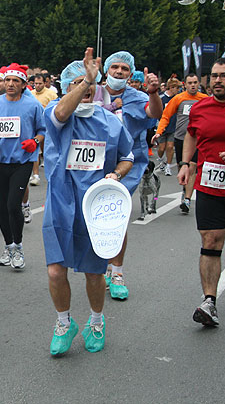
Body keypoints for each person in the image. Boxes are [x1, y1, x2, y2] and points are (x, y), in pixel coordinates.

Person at [43, 49, 134, 355]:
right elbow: (59, 115)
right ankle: (64, 322)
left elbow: (127, 158)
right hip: (59, 201)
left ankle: (96, 320)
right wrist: (87, 81)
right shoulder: (55, 112)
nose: (86, 87)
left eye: (90, 84)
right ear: (67, 87)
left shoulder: (110, 122)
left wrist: (115, 175)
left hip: (95, 207)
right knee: (56, 270)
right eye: (78, 83)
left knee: (95, 273)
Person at [177, 58, 225, 327]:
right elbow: (191, 136)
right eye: (213, 76)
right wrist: (186, 164)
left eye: (223, 76)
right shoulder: (200, 108)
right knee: (211, 239)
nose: (217, 80)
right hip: (208, 184)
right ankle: (209, 301)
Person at [94, 50, 162, 300]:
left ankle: (117, 272)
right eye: (115, 68)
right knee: (95, 218)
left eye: (124, 68)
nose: (120, 72)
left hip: (128, 165)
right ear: (107, 71)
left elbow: (154, 113)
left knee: (116, 217)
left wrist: (153, 92)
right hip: (96, 163)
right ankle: (98, 269)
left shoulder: (138, 96)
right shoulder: (93, 92)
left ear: (130, 72)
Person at [0, 63, 45, 269]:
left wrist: (35, 141)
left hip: (21, 162)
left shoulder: (32, 105)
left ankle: (19, 246)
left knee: (13, 205)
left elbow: (43, 130)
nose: (10, 84)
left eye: (16, 81)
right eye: (7, 80)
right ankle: (8, 246)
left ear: (24, 84)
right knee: (3, 207)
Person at [151, 74, 207, 214]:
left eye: (195, 82)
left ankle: (187, 199)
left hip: (198, 139)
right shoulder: (178, 99)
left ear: (199, 84)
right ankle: (185, 189)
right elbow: (165, 116)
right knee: (184, 168)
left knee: (192, 167)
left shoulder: (205, 99)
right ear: (185, 85)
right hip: (181, 139)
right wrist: (159, 131)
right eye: (190, 83)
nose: (193, 85)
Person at [153, 77, 182, 176]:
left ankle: (168, 167)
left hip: (173, 126)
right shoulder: (162, 98)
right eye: (176, 88)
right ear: (171, 87)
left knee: (170, 147)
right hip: (162, 127)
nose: (178, 90)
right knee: (161, 148)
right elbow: (157, 112)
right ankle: (162, 160)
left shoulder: (178, 99)